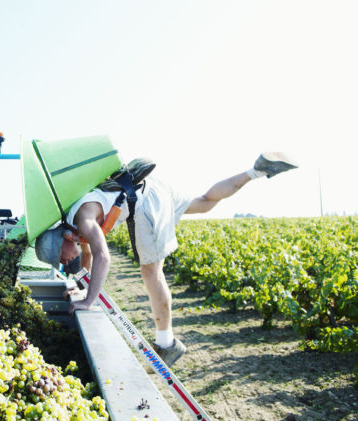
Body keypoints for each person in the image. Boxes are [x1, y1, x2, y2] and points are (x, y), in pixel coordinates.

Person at [35, 152, 298, 366]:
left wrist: (90, 300)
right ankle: (258, 170)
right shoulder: (74, 225)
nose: (63, 263)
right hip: (150, 187)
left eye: (60, 258)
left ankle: (167, 344)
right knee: (204, 202)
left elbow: (103, 257)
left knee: (151, 273)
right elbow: (88, 257)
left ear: (66, 240)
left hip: (145, 202)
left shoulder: (84, 220)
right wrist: (80, 289)